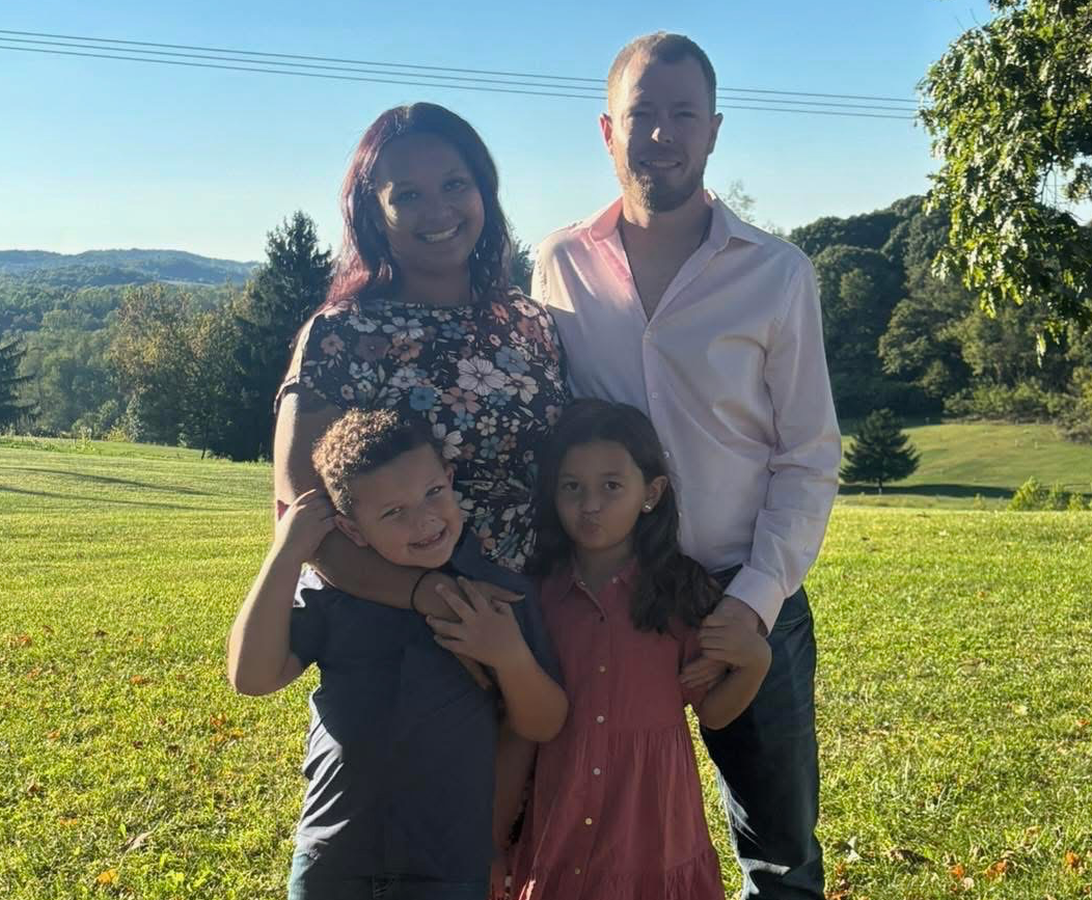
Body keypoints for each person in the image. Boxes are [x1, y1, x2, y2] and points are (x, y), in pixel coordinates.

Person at [531, 32, 842, 900]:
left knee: (780, 854)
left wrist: (755, 601)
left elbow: (809, 456)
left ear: (714, 130)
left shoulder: (777, 274)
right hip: (610, 601)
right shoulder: (560, 263)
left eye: (682, 114)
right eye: (642, 115)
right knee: (598, 837)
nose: (661, 134)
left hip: (746, 596)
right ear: (607, 130)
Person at [228, 409, 567, 899]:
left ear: (450, 478)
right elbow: (252, 677)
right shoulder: (334, 592)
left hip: (448, 864)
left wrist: (509, 655)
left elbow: (543, 724)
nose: (424, 519)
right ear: (352, 531)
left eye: (433, 492)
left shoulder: (496, 594)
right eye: (393, 512)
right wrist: (286, 553)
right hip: (334, 854)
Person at [272, 102, 569, 643]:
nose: (438, 211)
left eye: (455, 185)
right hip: (402, 633)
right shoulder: (342, 334)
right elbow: (304, 514)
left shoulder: (531, 323)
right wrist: (429, 596)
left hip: (536, 622)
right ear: (373, 214)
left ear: (484, 192)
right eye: (407, 195)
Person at [485, 399, 770, 899]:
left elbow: (714, 712)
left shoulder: (680, 592)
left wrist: (755, 663)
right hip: (558, 812)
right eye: (572, 487)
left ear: (651, 493)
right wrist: (493, 839)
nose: (590, 505)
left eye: (611, 486)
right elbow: (517, 727)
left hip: (650, 823)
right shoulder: (537, 594)